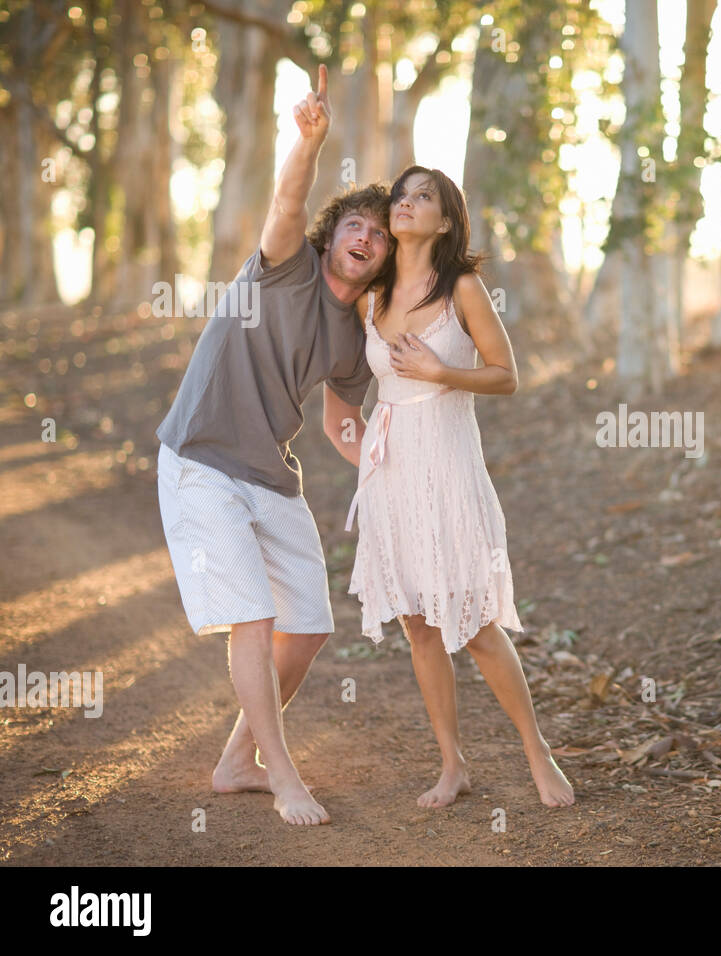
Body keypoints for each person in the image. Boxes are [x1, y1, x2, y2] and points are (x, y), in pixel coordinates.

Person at [155, 67, 390, 825]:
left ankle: (234, 760)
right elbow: (289, 198)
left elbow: (340, 424)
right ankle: (280, 771)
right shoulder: (283, 266)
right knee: (252, 617)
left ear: (387, 259)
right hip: (201, 460)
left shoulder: (356, 340)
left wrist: (382, 470)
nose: (367, 236)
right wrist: (309, 140)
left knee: (309, 625)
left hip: (270, 474)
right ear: (334, 232)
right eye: (357, 223)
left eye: (381, 236)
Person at [343, 165, 574, 809]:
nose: (407, 203)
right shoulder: (373, 294)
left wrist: (442, 370)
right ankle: (453, 764)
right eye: (401, 195)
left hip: (446, 465)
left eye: (424, 197)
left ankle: (537, 750)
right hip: (389, 470)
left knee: (471, 620)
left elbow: (507, 376)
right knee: (418, 624)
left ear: (445, 220)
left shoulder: (462, 287)